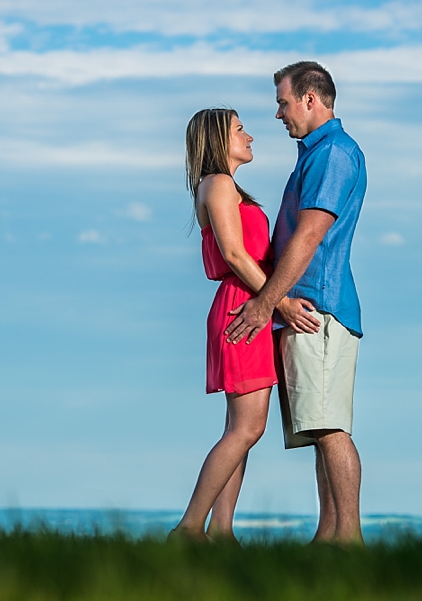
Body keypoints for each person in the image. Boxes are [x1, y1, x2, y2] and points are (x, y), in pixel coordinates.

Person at [225, 62, 367, 544]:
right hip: (306, 309)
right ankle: (329, 538)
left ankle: (348, 539)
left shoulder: (333, 154)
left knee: (330, 429)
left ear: (311, 99)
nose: (279, 113)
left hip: (315, 309)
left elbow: (309, 236)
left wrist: (267, 303)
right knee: (319, 427)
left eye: (283, 102)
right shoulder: (316, 155)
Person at [172, 108, 319, 542]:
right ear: (219, 138)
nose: (250, 136)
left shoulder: (228, 187)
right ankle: (189, 528)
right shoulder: (217, 184)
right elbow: (235, 255)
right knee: (247, 427)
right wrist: (283, 303)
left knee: (242, 428)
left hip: (249, 303)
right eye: (240, 130)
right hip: (243, 306)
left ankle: (220, 530)